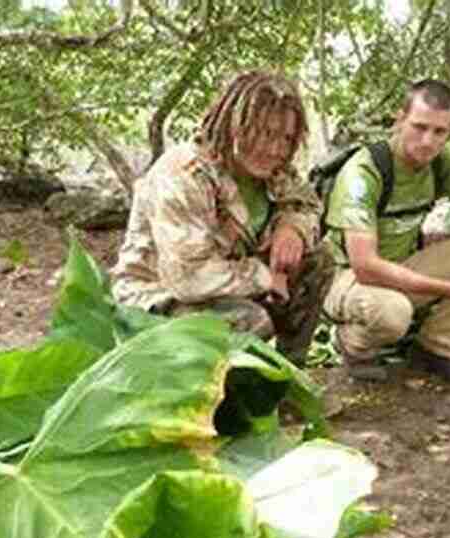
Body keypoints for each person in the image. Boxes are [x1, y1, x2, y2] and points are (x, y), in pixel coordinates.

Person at [112, 70, 333, 363]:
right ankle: (216, 399)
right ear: (233, 124)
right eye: (265, 133)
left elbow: (307, 204)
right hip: (161, 296)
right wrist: (266, 277)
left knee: (319, 261)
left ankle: (290, 377)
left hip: (233, 283)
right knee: (248, 322)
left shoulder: (275, 172)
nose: (275, 148)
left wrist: (292, 228)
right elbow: (188, 278)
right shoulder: (182, 176)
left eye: (286, 137)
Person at [320, 79, 450, 387]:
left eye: (439, 132)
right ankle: (352, 344)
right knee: (393, 312)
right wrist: (449, 289)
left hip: (401, 267)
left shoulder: (443, 165)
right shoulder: (364, 171)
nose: (427, 141)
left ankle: (437, 350)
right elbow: (366, 266)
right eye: (419, 127)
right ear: (400, 120)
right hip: (347, 278)